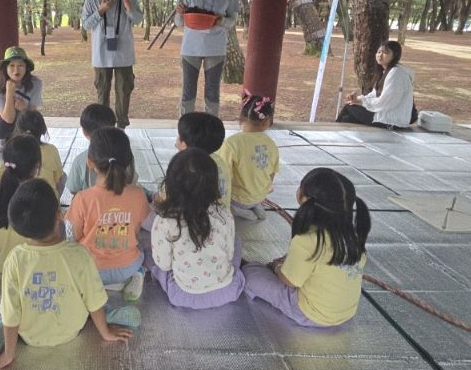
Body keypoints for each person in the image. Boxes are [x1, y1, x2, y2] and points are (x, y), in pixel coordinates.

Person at [0, 179, 134, 370]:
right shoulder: (79, 254)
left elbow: (12, 311)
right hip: (71, 330)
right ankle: (111, 316)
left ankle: (0, 329)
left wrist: (8, 355)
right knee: (91, 297)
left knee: (4, 304)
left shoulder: (14, 259)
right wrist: (105, 333)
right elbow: (94, 300)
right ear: (59, 214)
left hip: (30, 336)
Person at [242, 168, 370, 327]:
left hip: (311, 314)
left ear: (303, 198)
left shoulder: (308, 240)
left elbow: (289, 281)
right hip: (346, 312)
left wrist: (276, 267)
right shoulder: (352, 235)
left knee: (251, 273)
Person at [150, 149, 243, 309]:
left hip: (183, 295)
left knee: (153, 261)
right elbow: (229, 254)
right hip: (227, 291)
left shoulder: (165, 220)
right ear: (213, 184)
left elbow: (164, 265)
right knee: (237, 242)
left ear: (170, 184)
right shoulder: (224, 213)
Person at [66, 127, 151, 302]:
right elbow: (141, 229)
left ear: (90, 162)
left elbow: (75, 236)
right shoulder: (138, 194)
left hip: (91, 269)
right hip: (128, 266)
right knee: (144, 245)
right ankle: (137, 274)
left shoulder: (82, 198)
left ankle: (101, 286)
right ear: (128, 161)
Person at [174, 0, 240, 118]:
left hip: (215, 47)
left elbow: (232, 20)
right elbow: (179, 23)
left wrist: (220, 20)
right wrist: (179, 13)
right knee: (188, 91)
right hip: (191, 47)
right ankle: (185, 126)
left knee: (212, 92)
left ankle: (211, 127)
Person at [81, 0, 142, 129]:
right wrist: (100, 11)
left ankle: (121, 127)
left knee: (124, 90)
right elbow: (86, 24)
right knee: (102, 91)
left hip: (124, 52)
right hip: (101, 53)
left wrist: (130, 9)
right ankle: (103, 128)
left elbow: (138, 20)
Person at [0, 135, 41, 272]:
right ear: (37, 165)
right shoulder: (42, 195)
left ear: (5, 163)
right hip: (33, 266)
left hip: (1, 264)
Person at [218, 93, 279, 223]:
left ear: (240, 119)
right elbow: (272, 173)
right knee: (253, 194)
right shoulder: (271, 144)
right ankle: (255, 205)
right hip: (261, 195)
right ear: (266, 122)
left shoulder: (232, 143)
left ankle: (240, 211)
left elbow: (223, 173)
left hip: (238, 199)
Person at [337, 40, 416, 129]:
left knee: (349, 107)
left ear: (395, 55)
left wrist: (362, 102)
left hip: (391, 120)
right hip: (384, 115)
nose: (380, 55)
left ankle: (331, 132)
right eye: (378, 52)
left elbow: (386, 102)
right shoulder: (385, 72)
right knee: (347, 118)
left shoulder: (396, 73)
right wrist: (357, 99)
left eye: (385, 52)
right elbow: (373, 95)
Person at [0, 46, 43, 149]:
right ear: (6, 68)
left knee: (35, 119)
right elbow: (8, 118)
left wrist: (24, 109)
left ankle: (30, 140)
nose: (16, 70)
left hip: (23, 116)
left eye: (20, 65)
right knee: (2, 122)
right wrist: (9, 92)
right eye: (12, 65)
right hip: (3, 121)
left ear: (26, 67)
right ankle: (0, 140)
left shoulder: (36, 83)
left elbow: (33, 112)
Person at [175, 111, 231, 209]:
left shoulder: (186, 165)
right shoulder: (219, 160)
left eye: (179, 135)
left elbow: (168, 197)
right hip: (222, 214)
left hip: (196, 216)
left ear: (184, 144)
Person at [66, 103, 117, 196]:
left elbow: (73, 189)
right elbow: (132, 181)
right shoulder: (124, 155)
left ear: (84, 131)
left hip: (89, 202)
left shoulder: (80, 159)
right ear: (114, 128)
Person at [14, 109, 66, 195]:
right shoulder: (51, 150)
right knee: (63, 176)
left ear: (19, 130)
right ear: (42, 129)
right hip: (48, 199)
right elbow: (58, 179)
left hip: (20, 200)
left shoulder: (13, 150)